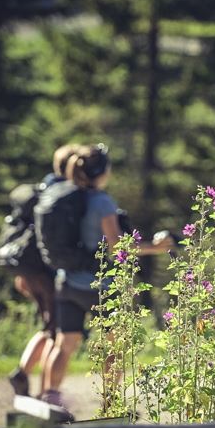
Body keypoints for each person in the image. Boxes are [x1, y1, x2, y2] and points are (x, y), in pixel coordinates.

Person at [39, 143, 174, 406]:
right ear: (102, 171)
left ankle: (50, 399)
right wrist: (156, 248)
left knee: (64, 345)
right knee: (114, 348)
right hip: (101, 286)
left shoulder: (66, 194)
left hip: (67, 281)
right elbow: (118, 247)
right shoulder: (102, 202)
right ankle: (111, 405)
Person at [8, 144, 82, 397]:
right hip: (47, 273)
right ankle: (45, 395)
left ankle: (22, 373)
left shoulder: (42, 189)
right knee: (57, 332)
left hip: (28, 270)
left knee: (49, 326)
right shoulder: (64, 195)